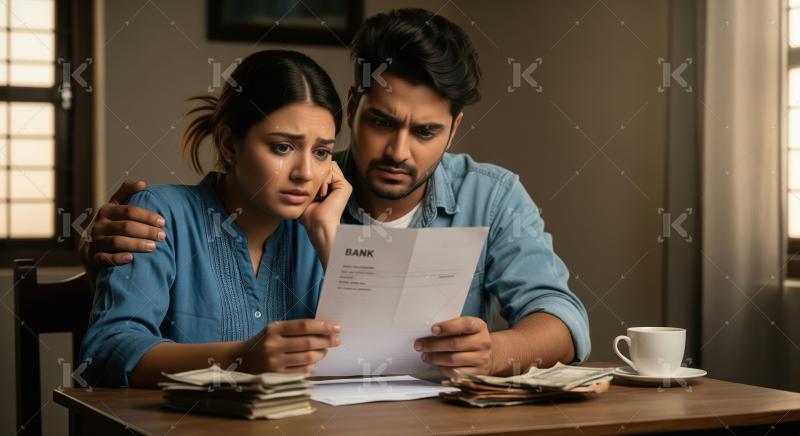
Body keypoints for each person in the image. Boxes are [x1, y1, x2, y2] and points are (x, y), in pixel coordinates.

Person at [81, 9, 591, 378]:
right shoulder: (297, 204)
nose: (397, 151)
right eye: (381, 122)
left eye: (425, 133)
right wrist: (93, 251)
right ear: (354, 106)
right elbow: (116, 340)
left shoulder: (489, 195)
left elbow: (562, 317)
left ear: (454, 130)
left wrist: (493, 352)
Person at [79, 50, 352, 387]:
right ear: (228, 145)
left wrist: (329, 235)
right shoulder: (160, 214)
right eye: (282, 147)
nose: (306, 173)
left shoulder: (320, 231)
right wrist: (238, 359)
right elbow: (107, 351)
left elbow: (373, 360)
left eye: (322, 152)